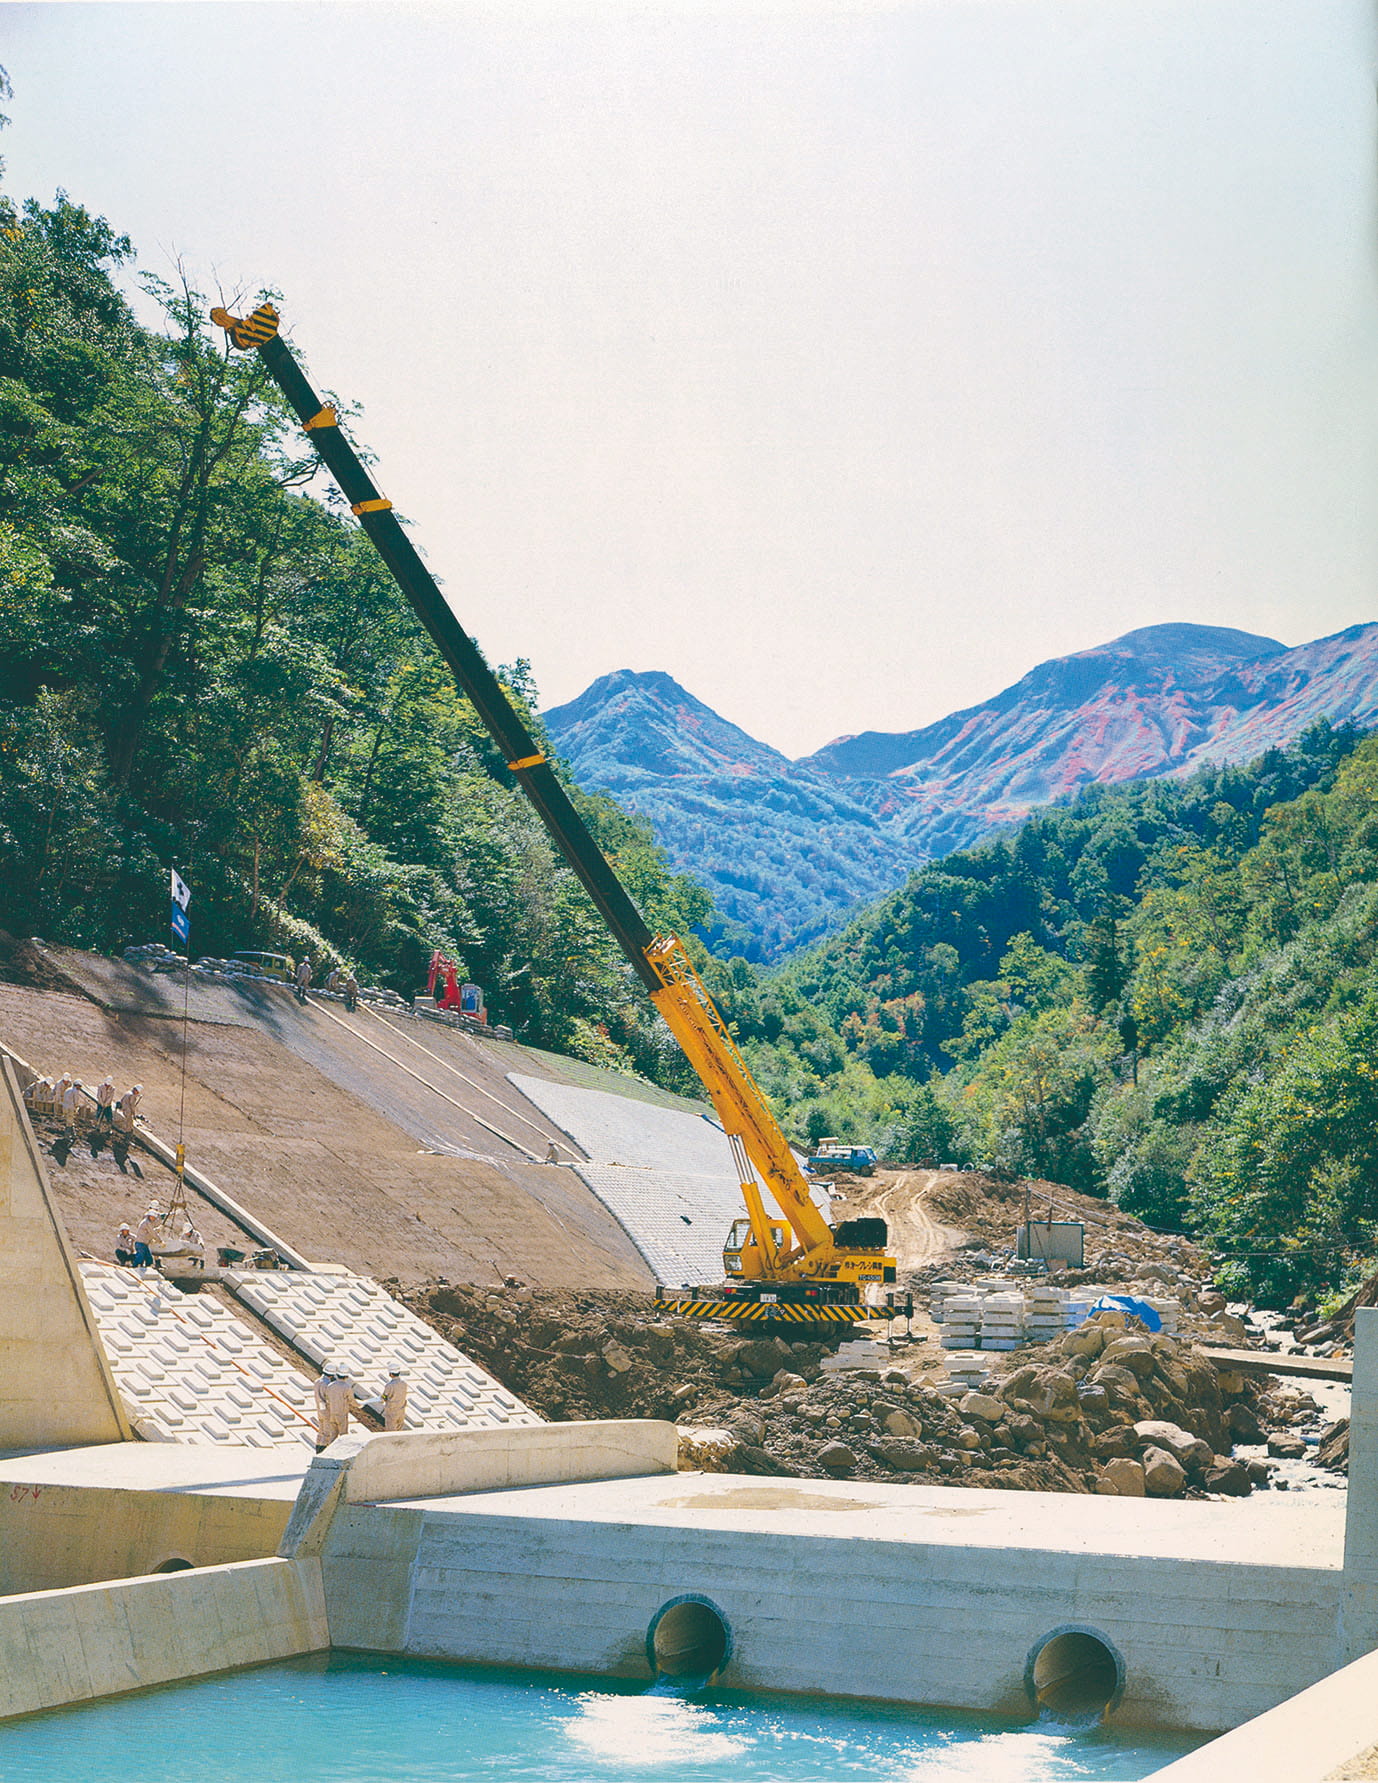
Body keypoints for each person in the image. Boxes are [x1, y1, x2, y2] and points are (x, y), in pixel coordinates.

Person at [322, 1367, 360, 1442]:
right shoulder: (347, 1387)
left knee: (333, 1435)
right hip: (342, 1414)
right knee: (343, 1435)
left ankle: (331, 1452)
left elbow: (327, 1398)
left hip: (332, 1413)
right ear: (346, 1376)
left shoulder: (330, 1385)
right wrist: (359, 1405)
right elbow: (351, 1401)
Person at [381, 1367, 409, 1432]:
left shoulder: (389, 1385)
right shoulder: (404, 1383)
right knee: (399, 1429)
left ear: (391, 1374)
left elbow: (384, 1396)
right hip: (401, 1409)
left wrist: (382, 1398)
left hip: (392, 1411)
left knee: (391, 1431)